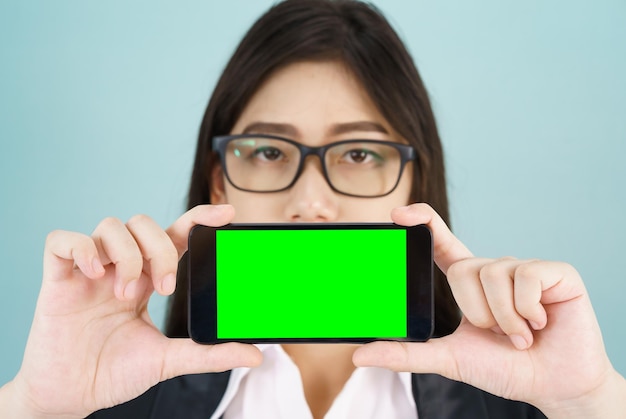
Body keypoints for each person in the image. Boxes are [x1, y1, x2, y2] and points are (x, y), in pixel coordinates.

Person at [1, 0, 625, 418]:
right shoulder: (115, 399)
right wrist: (37, 405)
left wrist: (592, 400)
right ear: (219, 184)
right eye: (269, 150)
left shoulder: (519, 403)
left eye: (358, 154)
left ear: (415, 188)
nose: (310, 203)